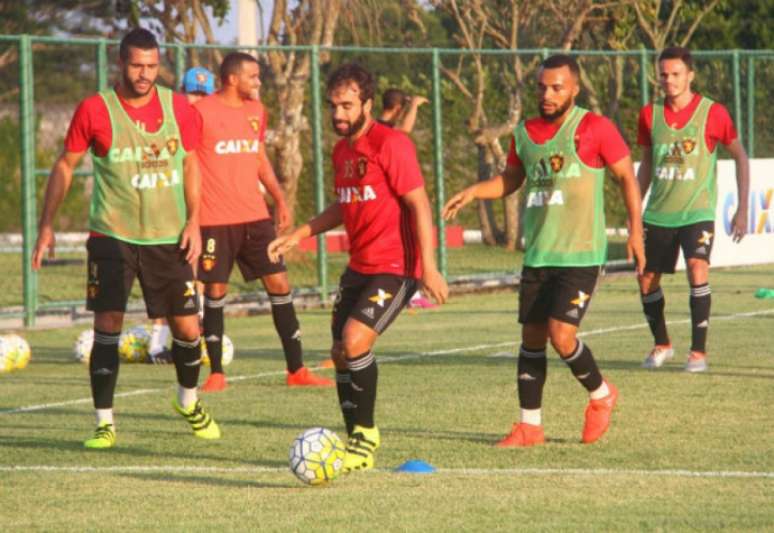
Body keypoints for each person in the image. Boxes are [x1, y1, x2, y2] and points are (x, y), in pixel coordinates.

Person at [443, 54, 645, 447]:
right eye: (542, 87)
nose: (548, 94)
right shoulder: (523, 134)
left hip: (582, 254)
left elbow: (626, 178)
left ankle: (602, 395)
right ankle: (529, 427)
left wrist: (636, 232)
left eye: (557, 87)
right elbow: (510, 180)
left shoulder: (595, 127)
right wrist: (473, 192)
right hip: (538, 254)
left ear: (574, 88)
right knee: (532, 338)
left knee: (561, 335)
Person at [31, 28, 219, 447]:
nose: (145, 73)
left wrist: (194, 221)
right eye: (137, 65)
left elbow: (191, 165)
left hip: (169, 237)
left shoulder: (179, 108)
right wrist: (47, 225)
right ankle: (104, 422)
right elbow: (64, 166)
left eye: (152, 65)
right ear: (121, 63)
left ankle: (188, 401)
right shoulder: (95, 110)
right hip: (112, 234)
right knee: (108, 323)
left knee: (188, 330)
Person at [268, 63, 448, 472]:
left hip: (397, 266)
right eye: (333, 106)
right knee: (339, 352)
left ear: (367, 103)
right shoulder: (342, 150)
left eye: (347, 105)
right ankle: (354, 444)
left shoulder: (391, 144)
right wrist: (300, 233)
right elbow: (344, 205)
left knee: (354, 341)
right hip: (359, 267)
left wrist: (430, 268)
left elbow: (419, 203)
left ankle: (366, 436)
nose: (339, 115)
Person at [194, 52, 333, 392]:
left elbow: (259, 159)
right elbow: (185, 164)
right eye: (253, 76)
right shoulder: (200, 113)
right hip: (214, 220)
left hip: (256, 218)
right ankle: (216, 373)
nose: (259, 82)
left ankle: (296, 370)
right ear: (232, 79)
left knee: (280, 286)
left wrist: (280, 198)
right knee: (215, 291)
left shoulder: (257, 111)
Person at [636, 47, 749, 373]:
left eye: (675, 74)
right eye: (664, 74)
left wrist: (742, 209)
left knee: (698, 267)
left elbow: (739, 155)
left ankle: (698, 353)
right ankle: (662, 344)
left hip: (697, 211)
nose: (669, 80)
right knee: (646, 281)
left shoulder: (713, 113)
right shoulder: (649, 115)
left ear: (690, 76)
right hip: (657, 213)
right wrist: (634, 209)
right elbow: (646, 164)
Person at [146, 66, 219, 365]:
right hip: (168, 211)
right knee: (172, 277)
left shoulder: (212, 125)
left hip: (204, 209)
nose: (197, 99)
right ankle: (156, 345)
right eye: (193, 92)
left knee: (199, 275)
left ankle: (191, 337)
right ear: (181, 91)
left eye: (204, 94)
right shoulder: (168, 123)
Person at [378, 88, 435, 310]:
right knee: (409, 245)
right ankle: (411, 294)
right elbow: (405, 130)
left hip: (383, 201)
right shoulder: (386, 132)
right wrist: (415, 105)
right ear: (398, 109)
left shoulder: (375, 128)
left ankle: (410, 292)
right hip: (391, 202)